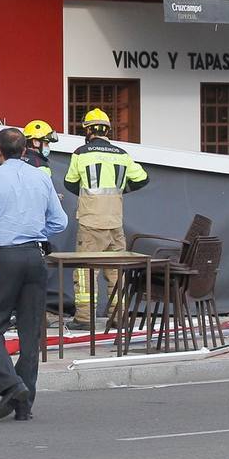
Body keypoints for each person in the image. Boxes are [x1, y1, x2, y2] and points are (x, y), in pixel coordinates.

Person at [0, 128, 68, 422]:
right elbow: (59, 221)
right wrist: (37, 234)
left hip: (4, 257)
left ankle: (12, 386)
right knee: (29, 331)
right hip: (35, 256)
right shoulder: (41, 177)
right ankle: (24, 405)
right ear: (25, 151)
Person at [64, 108, 149, 327]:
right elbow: (142, 178)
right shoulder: (122, 154)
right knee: (116, 271)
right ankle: (118, 317)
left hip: (91, 221)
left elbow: (70, 182)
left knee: (85, 270)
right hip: (115, 222)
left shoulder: (81, 153)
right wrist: (120, 191)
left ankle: (84, 318)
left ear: (89, 130)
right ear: (107, 130)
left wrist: (88, 195)